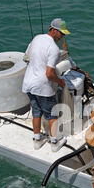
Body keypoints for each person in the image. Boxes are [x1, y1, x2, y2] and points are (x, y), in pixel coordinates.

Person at [22, 18, 71, 152]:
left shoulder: (37, 38)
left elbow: (27, 57)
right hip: (42, 87)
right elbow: (49, 74)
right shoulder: (54, 49)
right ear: (54, 30)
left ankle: (37, 139)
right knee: (52, 115)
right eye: (61, 33)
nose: (62, 37)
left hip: (28, 83)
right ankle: (55, 142)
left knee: (36, 112)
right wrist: (60, 81)